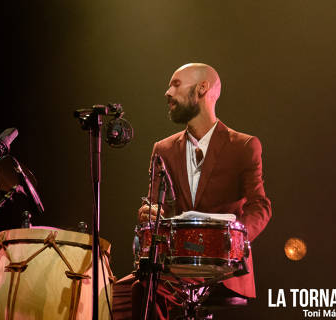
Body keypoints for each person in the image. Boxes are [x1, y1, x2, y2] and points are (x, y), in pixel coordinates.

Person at [112, 63, 272, 319]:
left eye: (175, 84)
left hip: (222, 266)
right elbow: (158, 207)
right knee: (116, 293)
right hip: (176, 262)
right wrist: (151, 213)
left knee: (147, 290)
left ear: (202, 88)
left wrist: (234, 243)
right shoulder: (162, 149)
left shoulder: (244, 146)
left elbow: (260, 206)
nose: (167, 92)